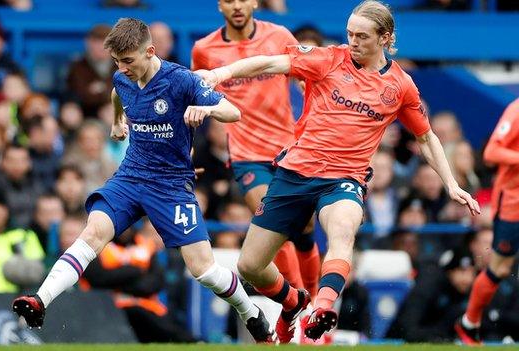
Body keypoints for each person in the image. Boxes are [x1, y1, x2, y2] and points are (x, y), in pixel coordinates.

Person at [196, 0, 480, 341]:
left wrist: (450, 183)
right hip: (294, 173)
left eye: (361, 36)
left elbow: (426, 136)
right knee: (250, 266)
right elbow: (272, 61)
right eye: (349, 34)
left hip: (343, 180)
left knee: (343, 232)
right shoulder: (329, 58)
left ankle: (322, 305)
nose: (353, 41)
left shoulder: (401, 87)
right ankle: (293, 301)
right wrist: (221, 73)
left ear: (385, 38)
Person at [12, 17, 273, 343]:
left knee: (203, 270)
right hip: (131, 176)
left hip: (171, 184)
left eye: (129, 60)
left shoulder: (181, 80)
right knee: (92, 233)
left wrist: (205, 111)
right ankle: (40, 300)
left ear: (150, 51)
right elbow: (116, 93)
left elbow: (232, 112)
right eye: (117, 62)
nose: (122, 68)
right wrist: (119, 122)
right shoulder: (122, 78)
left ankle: (250, 312)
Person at [192, 1, 321, 342]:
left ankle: (316, 311)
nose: (237, 5)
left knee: (305, 230)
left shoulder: (278, 35)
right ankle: (297, 304)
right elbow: (195, 97)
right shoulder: (204, 49)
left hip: (289, 148)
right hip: (247, 154)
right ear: (221, 4)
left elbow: (306, 79)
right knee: (274, 226)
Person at [456, 97, 519, 345]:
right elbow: (492, 152)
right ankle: (469, 322)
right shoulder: (516, 110)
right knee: (500, 268)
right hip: (513, 203)